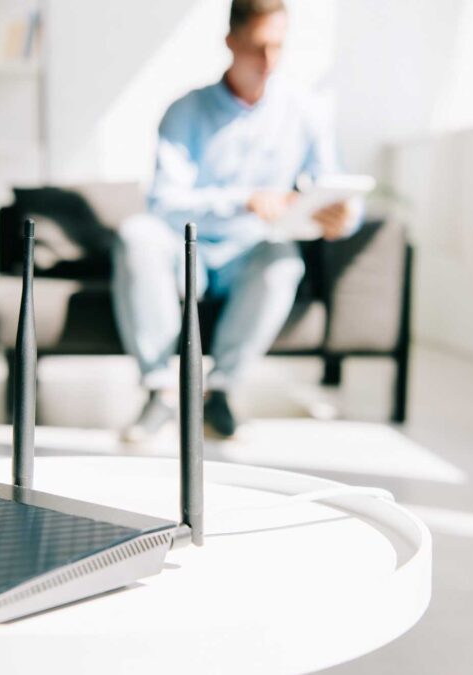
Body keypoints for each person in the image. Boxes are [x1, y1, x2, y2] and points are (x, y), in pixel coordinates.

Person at [113, 0, 361, 441]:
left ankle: (220, 392)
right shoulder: (184, 111)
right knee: (137, 234)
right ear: (231, 42)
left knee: (283, 260)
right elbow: (165, 203)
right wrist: (245, 200)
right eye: (257, 47)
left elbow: (333, 185)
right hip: (183, 251)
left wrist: (344, 215)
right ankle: (160, 391)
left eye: (278, 48)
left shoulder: (305, 112)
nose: (268, 62)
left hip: (249, 255)